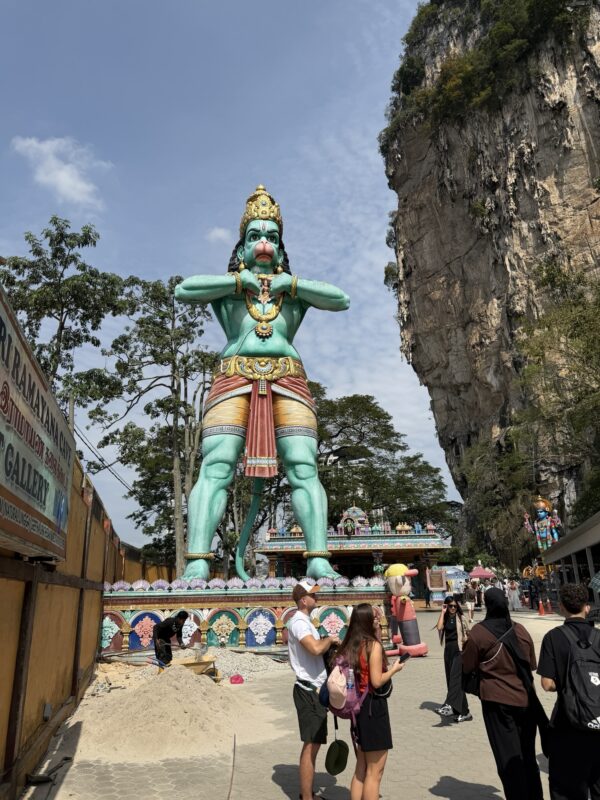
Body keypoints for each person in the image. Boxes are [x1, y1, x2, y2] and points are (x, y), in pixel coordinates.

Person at [175, 186, 350, 582]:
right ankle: (199, 560)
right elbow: (183, 290)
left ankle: (318, 557)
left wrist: (292, 285)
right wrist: (240, 284)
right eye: (254, 236)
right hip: (233, 375)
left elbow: (342, 300)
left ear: (282, 250)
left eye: (271, 236)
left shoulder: (293, 291)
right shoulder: (228, 291)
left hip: (288, 377)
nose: (264, 243)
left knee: (304, 466)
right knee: (216, 465)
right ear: (241, 250)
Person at [462, 588, 544, 800]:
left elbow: (467, 666)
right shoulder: (521, 630)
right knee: (527, 755)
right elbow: (531, 665)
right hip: (526, 699)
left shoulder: (478, 634)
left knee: (508, 758)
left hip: (497, 702)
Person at [537, 582, 600, 800]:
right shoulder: (599, 637)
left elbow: (547, 684)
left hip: (568, 725)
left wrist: (570, 684)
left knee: (567, 789)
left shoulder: (554, 637)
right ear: (587, 607)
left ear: (561, 607)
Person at [336, 603, 405, 800]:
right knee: (375, 773)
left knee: (361, 769)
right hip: (373, 708)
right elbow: (376, 681)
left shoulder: (351, 644)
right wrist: (393, 670)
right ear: (366, 621)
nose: (378, 620)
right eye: (374, 618)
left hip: (358, 707)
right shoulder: (372, 646)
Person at [287, 580, 340, 800]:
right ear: (303, 600)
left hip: (314, 689)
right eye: (313, 595)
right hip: (308, 690)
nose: (316, 598)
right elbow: (315, 648)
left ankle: (307, 793)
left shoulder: (305, 620)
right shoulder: (299, 621)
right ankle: (306, 797)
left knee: (315, 743)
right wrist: (329, 639)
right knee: (311, 745)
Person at [435, 596, 472, 722]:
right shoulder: (445, 617)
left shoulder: (461, 618)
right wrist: (442, 611)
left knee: (455, 681)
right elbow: (439, 628)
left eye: (455, 606)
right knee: (452, 680)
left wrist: (466, 640)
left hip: (459, 652)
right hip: (448, 652)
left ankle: (450, 704)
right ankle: (463, 711)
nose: (452, 608)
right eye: (450, 606)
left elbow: (469, 634)